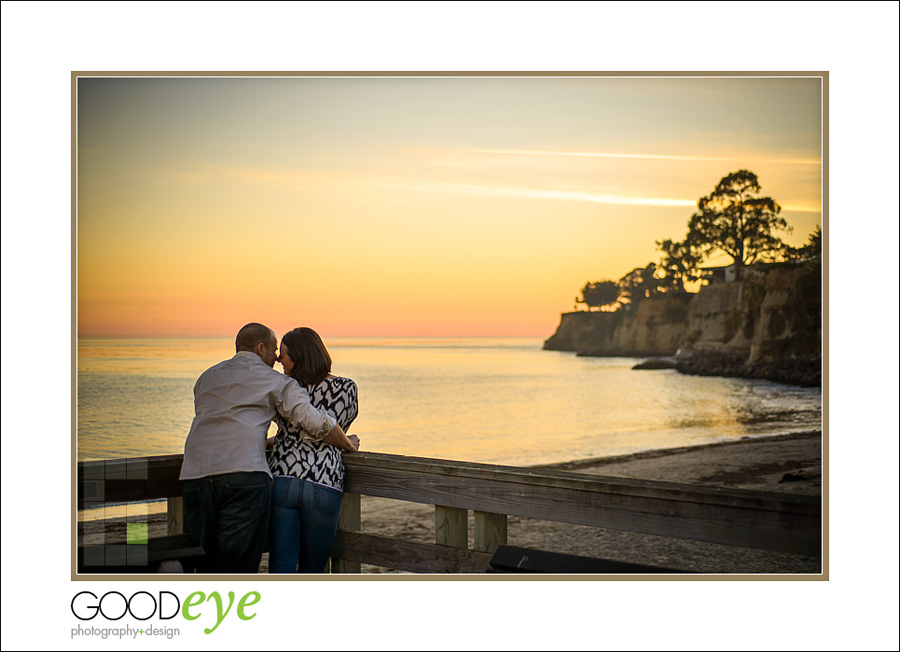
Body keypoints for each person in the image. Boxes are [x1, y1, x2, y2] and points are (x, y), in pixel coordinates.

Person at [179, 322, 358, 573]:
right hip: (245, 475)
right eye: (274, 352)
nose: (277, 359)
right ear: (260, 348)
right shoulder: (275, 381)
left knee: (204, 560)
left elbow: (224, 423)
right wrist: (348, 443)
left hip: (195, 474)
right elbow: (315, 422)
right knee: (238, 563)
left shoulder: (207, 377)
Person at [267, 327, 360, 573]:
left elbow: (291, 432)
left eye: (283, 355)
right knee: (314, 569)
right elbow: (333, 429)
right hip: (324, 480)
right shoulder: (346, 388)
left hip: (283, 478)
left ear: (298, 358)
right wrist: (347, 441)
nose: (279, 360)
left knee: (281, 565)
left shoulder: (285, 389)